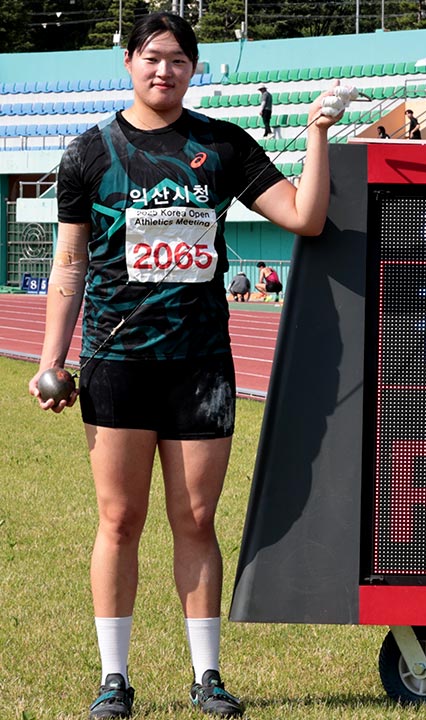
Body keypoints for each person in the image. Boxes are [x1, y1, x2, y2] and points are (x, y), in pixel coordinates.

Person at [28, 11, 345, 719]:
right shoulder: (89, 153)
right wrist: (51, 358)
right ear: (129, 63)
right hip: (116, 363)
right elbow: (70, 264)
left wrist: (319, 135)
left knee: (196, 518)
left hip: (201, 364)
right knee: (119, 519)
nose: (163, 70)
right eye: (151, 57)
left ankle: (207, 676)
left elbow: (304, 218)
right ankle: (114, 678)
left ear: (193, 68)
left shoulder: (222, 146)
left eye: (177, 59)